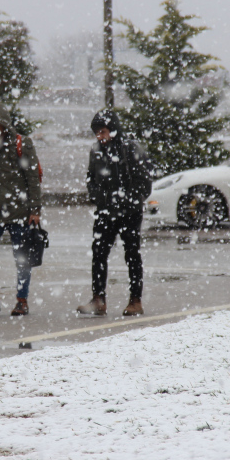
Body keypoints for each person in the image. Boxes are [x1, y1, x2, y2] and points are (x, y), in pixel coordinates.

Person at [77, 109, 152, 317]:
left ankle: (135, 300)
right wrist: (99, 198)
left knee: (132, 255)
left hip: (130, 212)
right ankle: (98, 299)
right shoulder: (96, 151)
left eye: (103, 132)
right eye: (97, 133)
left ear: (113, 129)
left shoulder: (130, 148)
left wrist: (127, 200)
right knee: (99, 254)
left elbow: (144, 182)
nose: (100, 137)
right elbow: (91, 178)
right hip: (105, 212)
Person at [0, 103, 42, 317]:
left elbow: (32, 178)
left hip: (19, 212)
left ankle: (22, 300)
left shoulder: (22, 143)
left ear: (4, 123)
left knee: (22, 257)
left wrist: (35, 210)